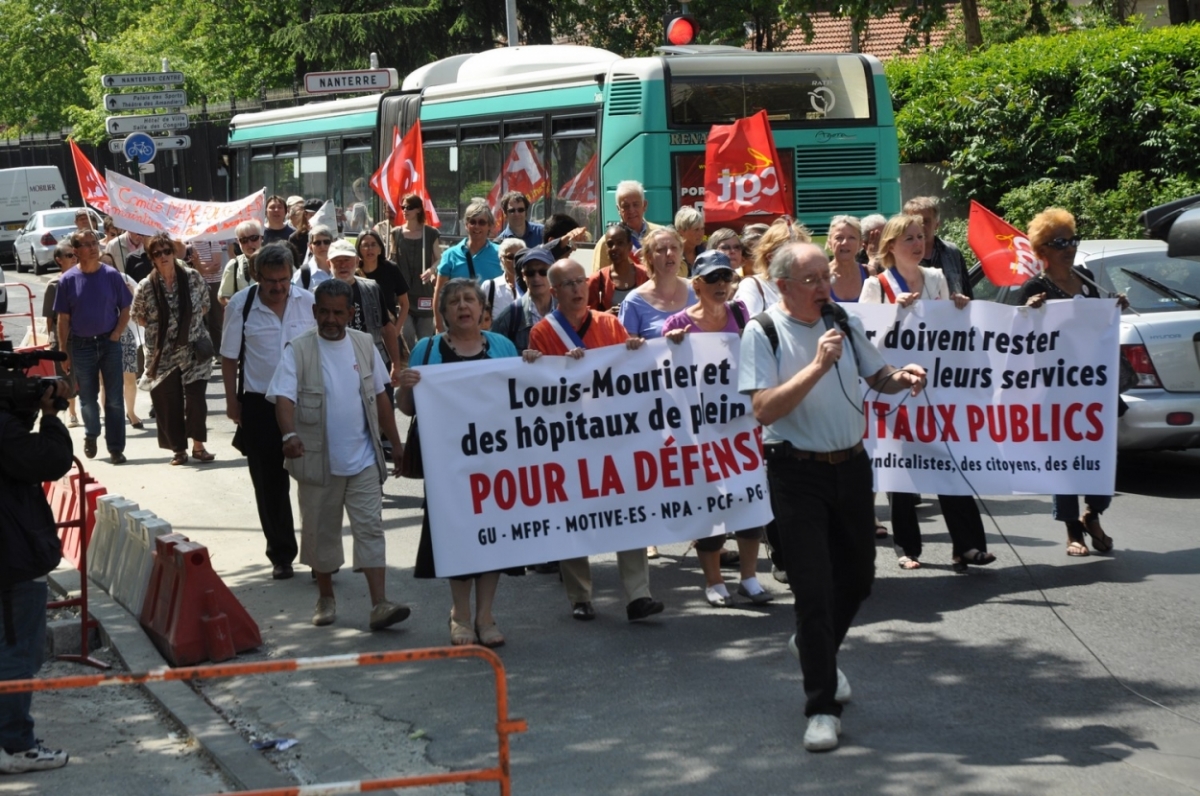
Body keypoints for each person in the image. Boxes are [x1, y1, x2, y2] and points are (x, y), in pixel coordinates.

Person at [739, 242, 926, 752]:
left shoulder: (842, 320)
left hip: (852, 467)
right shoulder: (763, 331)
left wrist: (901, 377)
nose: (825, 286)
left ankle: (813, 645)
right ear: (783, 287)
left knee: (860, 578)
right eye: (812, 280)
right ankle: (821, 708)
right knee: (814, 593)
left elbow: (877, 376)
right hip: (796, 474)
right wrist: (817, 367)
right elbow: (763, 410)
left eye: (826, 276)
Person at [525, 259, 664, 623]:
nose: (576, 289)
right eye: (567, 284)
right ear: (554, 292)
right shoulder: (543, 332)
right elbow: (542, 388)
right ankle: (580, 596)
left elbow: (628, 374)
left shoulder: (609, 323)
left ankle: (638, 595)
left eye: (579, 281)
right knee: (575, 515)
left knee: (629, 510)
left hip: (614, 433)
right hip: (571, 438)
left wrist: (636, 351)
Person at [269, 279, 410, 630]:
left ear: (351, 313)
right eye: (324, 312)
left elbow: (381, 397)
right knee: (321, 532)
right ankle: (326, 597)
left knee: (370, 529)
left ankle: (380, 604)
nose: (331, 319)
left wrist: (397, 444)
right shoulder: (298, 349)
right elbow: (284, 398)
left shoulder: (364, 344)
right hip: (318, 461)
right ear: (315, 312)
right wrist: (289, 434)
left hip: (363, 459)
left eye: (338, 312)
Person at [860, 214, 992, 572]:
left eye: (921, 237)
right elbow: (865, 341)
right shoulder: (877, 286)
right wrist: (893, 313)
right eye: (909, 239)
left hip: (937, 389)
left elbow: (948, 332)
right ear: (890, 246)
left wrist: (958, 308)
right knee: (902, 469)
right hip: (894, 389)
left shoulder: (936, 278)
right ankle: (908, 547)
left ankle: (967, 546)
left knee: (949, 461)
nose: (918, 244)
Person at [399, 278, 523, 646]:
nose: (463, 306)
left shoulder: (502, 346)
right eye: (455, 302)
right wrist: (406, 384)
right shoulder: (428, 347)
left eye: (470, 300)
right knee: (456, 536)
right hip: (448, 467)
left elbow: (522, 396)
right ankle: (460, 614)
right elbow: (408, 408)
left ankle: (486, 615)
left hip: (496, 461)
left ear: (483, 309)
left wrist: (530, 363)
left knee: (493, 536)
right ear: (444, 312)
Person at [662, 250, 769, 606]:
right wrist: (670, 344)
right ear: (696, 285)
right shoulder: (677, 325)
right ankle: (714, 581)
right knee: (711, 505)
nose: (721, 285)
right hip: (701, 433)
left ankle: (750, 578)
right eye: (712, 279)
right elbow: (663, 375)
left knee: (750, 502)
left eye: (726, 277)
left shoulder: (742, 315)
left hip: (741, 429)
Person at [1017, 207, 1125, 557]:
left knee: (1098, 453)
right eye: (1059, 242)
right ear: (1042, 250)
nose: (1069, 247)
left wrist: (1114, 306)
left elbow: (1098, 329)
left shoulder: (1088, 279)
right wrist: (1028, 313)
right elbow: (1017, 339)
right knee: (1063, 460)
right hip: (1055, 390)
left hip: (1093, 387)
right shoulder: (1035, 288)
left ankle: (1093, 513)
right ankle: (1072, 531)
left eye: (1072, 239)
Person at [221, 243, 316, 580]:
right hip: (260, 404)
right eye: (271, 281)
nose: (278, 287)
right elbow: (229, 357)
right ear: (257, 277)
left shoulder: (308, 302)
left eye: (284, 280)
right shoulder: (240, 305)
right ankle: (281, 554)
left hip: (306, 401)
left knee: (315, 481)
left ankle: (320, 554)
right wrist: (233, 402)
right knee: (269, 483)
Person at [0, 378, 74, 775]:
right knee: (17, 652)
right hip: (12, 553)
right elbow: (48, 460)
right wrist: (50, 418)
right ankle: (15, 745)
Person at [131, 233, 214, 466]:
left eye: (167, 251)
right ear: (152, 258)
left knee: (196, 399)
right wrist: (164, 330)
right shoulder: (146, 286)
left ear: (174, 252)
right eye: (157, 253)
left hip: (194, 349)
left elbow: (206, 305)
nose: (164, 256)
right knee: (168, 403)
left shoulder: (192, 277)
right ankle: (178, 450)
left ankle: (199, 445)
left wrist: (187, 326)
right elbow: (138, 316)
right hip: (163, 354)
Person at [55, 228, 131, 464]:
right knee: (87, 397)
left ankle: (116, 448)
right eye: (86, 244)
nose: (93, 247)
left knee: (115, 399)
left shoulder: (111, 275)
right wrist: (63, 352)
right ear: (76, 252)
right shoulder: (67, 280)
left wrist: (117, 333)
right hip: (82, 345)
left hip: (109, 343)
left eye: (94, 242)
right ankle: (91, 434)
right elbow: (63, 319)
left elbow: (126, 308)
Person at [328, 240, 402, 386]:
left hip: (374, 360)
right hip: (337, 365)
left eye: (347, 260)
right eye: (337, 260)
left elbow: (386, 327)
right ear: (328, 263)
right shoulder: (321, 294)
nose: (342, 265)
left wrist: (396, 364)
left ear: (356, 261)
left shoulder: (372, 288)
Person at [434, 199, 502, 332]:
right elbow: (439, 293)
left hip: (492, 325)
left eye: (482, 222)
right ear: (466, 225)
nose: (477, 226)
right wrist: (439, 326)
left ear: (490, 226)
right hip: (458, 323)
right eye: (472, 222)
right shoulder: (450, 255)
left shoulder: (500, 253)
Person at [618, 227, 695, 340]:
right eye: (661, 250)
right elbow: (626, 351)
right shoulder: (633, 302)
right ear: (649, 258)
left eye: (674, 248)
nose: (669, 253)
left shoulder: (698, 290)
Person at [391, 194, 441, 350]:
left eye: (409, 207)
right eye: (403, 207)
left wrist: (431, 269)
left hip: (424, 293)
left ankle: (425, 368)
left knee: (426, 339)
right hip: (402, 295)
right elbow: (391, 260)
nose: (405, 211)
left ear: (419, 209)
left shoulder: (430, 233)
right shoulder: (395, 233)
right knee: (407, 335)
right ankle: (411, 367)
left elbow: (440, 259)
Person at [356, 229, 410, 364]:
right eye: (365, 245)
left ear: (380, 249)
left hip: (388, 329)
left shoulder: (391, 269)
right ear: (359, 249)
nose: (370, 249)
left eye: (374, 244)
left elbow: (404, 304)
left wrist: (396, 331)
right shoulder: (354, 272)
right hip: (362, 333)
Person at [734, 218, 806, 317]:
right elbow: (750, 328)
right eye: (788, 252)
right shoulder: (752, 285)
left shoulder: (810, 285)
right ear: (770, 257)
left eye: (801, 250)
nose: (798, 257)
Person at [904, 196, 972, 298]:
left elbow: (968, 295)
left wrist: (961, 300)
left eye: (926, 221)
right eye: (915, 221)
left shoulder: (952, 252)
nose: (921, 226)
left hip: (949, 314)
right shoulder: (899, 255)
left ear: (937, 224)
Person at [492, 246, 556, 355]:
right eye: (530, 273)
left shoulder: (567, 313)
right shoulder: (508, 318)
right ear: (523, 276)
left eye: (543, 272)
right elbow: (495, 357)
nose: (536, 278)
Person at [43, 243, 79, 426]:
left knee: (82, 375)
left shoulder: (82, 280)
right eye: (69, 255)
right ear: (59, 260)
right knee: (66, 375)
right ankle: (71, 412)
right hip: (62, 337)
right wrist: (52, 338)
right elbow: (49, 318)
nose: (74, 258)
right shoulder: (54, 285)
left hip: (81, 335)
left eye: (75, 255)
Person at [591, 180, 662, 273]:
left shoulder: (661, 234)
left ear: (644, 205)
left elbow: (681, 269)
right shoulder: (607, 242)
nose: (631, 210)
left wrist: (656, 262)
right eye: (626, 206)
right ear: (618, 209)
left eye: (636, 204)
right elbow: (598, 279)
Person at [587, 224, 648, 314]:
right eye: (610, 244)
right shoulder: (597, 279)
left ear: (629, 247)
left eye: (620, 243)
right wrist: (607, 315)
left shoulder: (645, 274)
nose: (615, 248)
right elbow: (587, 315)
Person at [117, 270, 143, 431]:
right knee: (105, 382)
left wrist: (131, 294)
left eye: (109, 263)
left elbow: (138, 308)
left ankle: (131, 413)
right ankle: (113, 416)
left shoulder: (124, 280)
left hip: (125, 333)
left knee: (130, 377)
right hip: (102, 334)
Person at [219, 220, 264, 306]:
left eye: (253, 238)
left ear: (261, 238)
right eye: (244, 240)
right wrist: (240, 308)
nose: (249, 244)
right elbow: (224, 296)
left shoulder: (276, 260)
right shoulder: (233, 265)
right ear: (238, 242)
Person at [826, 215, 868, 303]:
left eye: (851, 238)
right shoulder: (820, 276)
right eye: (839, 238)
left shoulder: (869, 273)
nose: (845, 242)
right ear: (829, 243)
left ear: (860, 243)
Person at [485, 238, 526, 318]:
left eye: (519, 256)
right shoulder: (490, 286)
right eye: (510, 257)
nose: (515, 261)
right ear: (501, 259)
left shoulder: (533, 285)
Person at [293, 225, 334, 291]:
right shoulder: (302, 274)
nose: (322, 246)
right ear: (310, 247)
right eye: (317, 243)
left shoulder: (341, 269)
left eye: (326, 242)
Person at [674, 205, 706, 276]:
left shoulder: (705, 253)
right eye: (696, 230)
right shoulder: (672, 255)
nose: (701, 234)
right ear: (681, 231)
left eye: (702, 229)